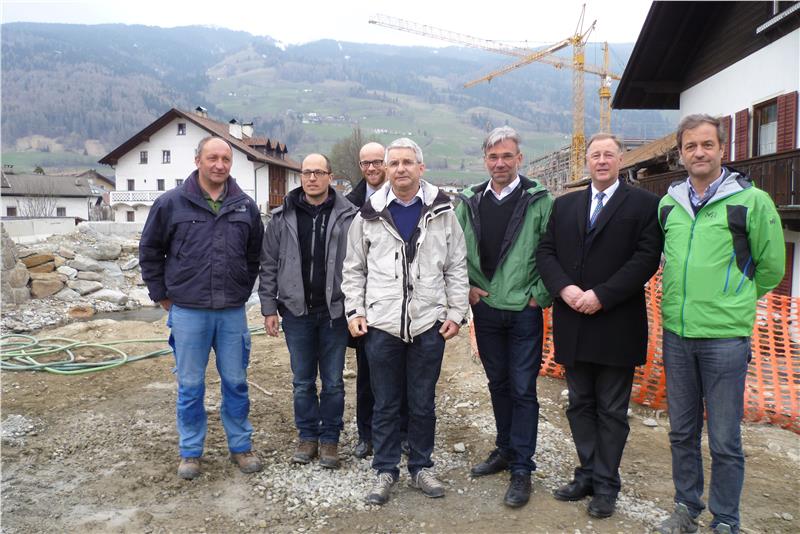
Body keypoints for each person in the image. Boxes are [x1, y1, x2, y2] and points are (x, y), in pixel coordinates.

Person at [656, 115, 784, 534]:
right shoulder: (668, 205)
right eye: (690, 146)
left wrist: (734, 300)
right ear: (681, 153)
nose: (699, 152)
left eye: (707, 144)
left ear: (722, 149)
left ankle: (726, 518)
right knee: (682, 432)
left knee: (725, 438)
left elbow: (771, 268)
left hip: (725, 339)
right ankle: (685, 508)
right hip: (677, 334)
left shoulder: (752, 201)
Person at [536, 133, 662, 519]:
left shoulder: (644, 204)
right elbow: (546, 251)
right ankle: (588, 473)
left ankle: (606, 484)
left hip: (616, 322)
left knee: (611, 410)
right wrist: (565, 288)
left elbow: (646, 258)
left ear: (621, 159)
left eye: (609, 154)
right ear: (586, 161)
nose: (602, 161)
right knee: (579, 405)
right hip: (573, 319)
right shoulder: (565, 205)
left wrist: (602, 295)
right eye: (595, 155)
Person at [341, 137, 469, 505]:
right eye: (394, 163)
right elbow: (354, 269)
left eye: (407, 162)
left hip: (428, 323)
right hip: (382, 324)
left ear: (420, 168)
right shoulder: (368, 215)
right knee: (384, 402)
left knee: (423, 402)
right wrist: (356, 311)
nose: (400, 169)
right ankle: (385, 469)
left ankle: (421, 466)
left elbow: (456, 266)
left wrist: (456, 313)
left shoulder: (443, 213)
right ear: (386, 169)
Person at [139, 136, 264, 480]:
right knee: (191, 385)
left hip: (231, 312)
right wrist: (161, 295)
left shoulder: (244, 206)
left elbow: (255, 255)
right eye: (212, 158)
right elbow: (150, 251)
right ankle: (191, 451)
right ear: (198, 161)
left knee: (236, 382)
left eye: (225, 159)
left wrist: (242, 288)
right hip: (188, 311)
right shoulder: (171, 203)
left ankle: (241, 446)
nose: (219, 165)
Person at [454, 126, 553, 508]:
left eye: (507, 156)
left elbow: (553, 249)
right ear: (485, 160)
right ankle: (505, 449)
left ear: (519, 159)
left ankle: (522, 467)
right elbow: (453, 251)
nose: (500, 163)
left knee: (523, 388)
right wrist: (466, 288)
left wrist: (539, 296)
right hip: (487, 308)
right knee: (498, 383)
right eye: (493, 157)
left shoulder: (539, 201)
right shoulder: (470, 201)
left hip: (524, 311)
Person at [259, 153, 356, 469]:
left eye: (318, 172)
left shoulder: (348, 216)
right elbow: (268, 265)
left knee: (333, 382)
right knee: (302, 381)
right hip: (296, 312)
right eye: (306, 172)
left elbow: (361, 265)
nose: (312, 178)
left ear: (330, 176)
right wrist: (269, 307)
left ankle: (330, 440)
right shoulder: (281, 217)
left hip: (334, 312)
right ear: (300, 176)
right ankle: (307, 437)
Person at [345, 142, 409, 460]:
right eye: (365, 163)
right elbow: (350, 261)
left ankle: (404, 433)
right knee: (367, 374)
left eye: (376, 162)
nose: (371, 168)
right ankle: (366, 433)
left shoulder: (404, 199)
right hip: (368, 306)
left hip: (403, 304)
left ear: (386, 163)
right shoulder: (350, 205)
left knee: (405, 374)